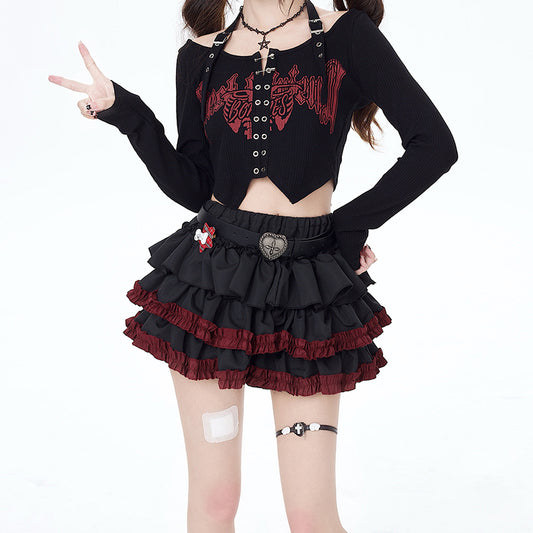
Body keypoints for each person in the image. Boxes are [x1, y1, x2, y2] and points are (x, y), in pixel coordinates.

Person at [48, 0, 458, 531]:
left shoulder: (347, 35)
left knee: (310, 515)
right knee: (216, 499)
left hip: (308, 289)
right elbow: (196, 186)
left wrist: (349, 227)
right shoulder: (200, 54)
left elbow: (434, 146)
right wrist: (128, 114)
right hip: (214, 282)